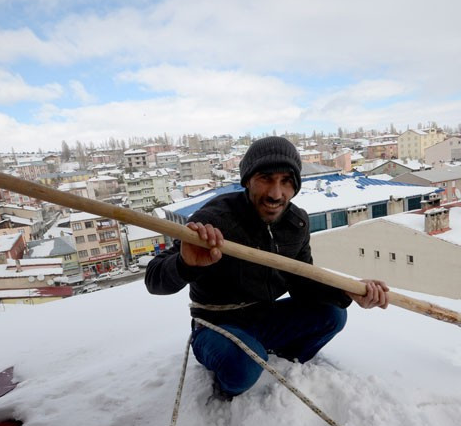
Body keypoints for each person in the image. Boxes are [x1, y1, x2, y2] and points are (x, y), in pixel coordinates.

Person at [146, 136, 388, 400]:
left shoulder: (296, 223)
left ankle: (280, 362)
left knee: (333, 314)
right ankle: (232, 384)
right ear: (247, 180)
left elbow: (302, 282)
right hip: (217, 326)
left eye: (286, 181)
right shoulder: (214, 219)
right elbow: (154, 279)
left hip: (265, 316)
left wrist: (348, 292)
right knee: (241, 364)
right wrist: (184, 264)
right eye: (266, 178)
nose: (275, 194)